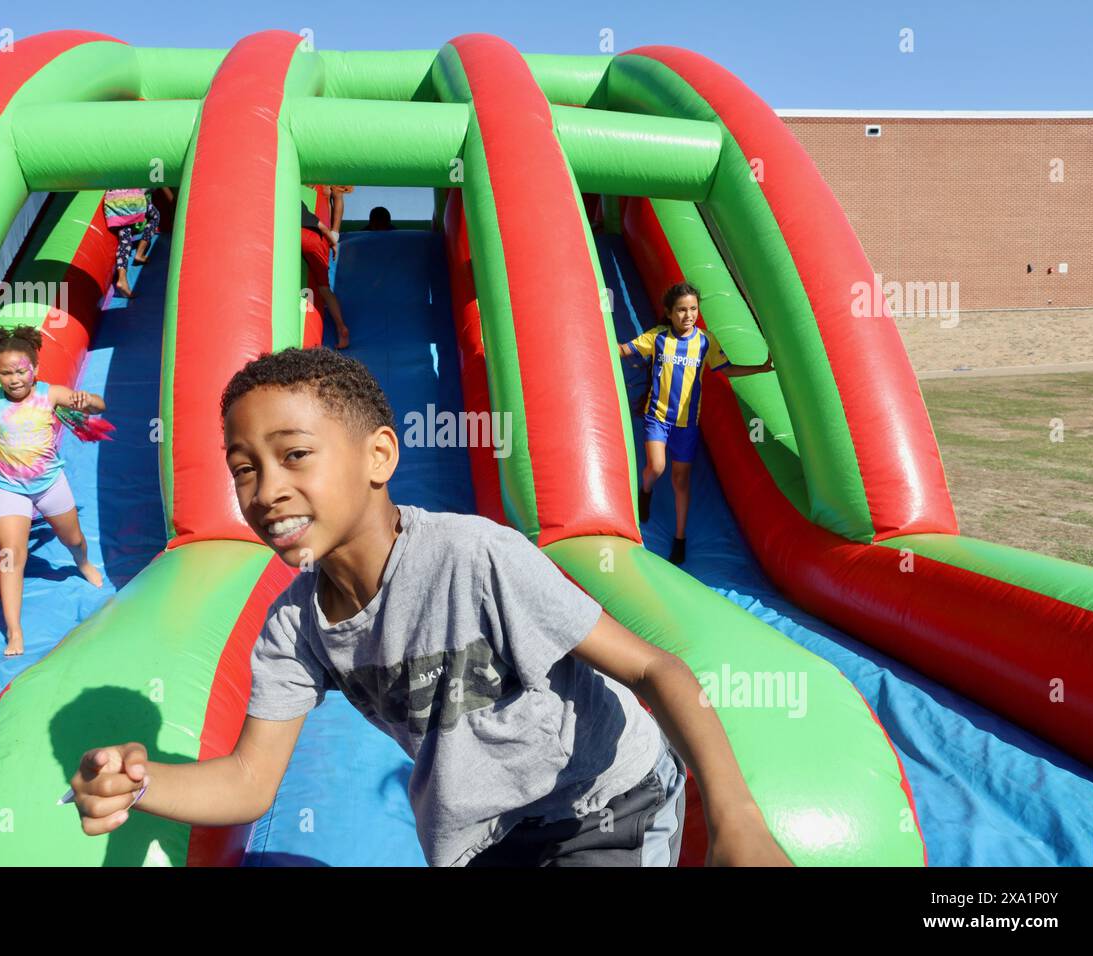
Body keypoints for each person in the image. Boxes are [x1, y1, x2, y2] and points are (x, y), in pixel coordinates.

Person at [67, 347, 791, 868]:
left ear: (379, 456)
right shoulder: (294, 628)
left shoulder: (474, 557)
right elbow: (250, 782)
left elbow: (653, 668)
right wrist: (142, 782)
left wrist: (736, 817)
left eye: (293, 456)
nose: (265, 491)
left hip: (601, 803)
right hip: (482, 837)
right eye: (244, 469)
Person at [0, 326, 106, 656]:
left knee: (73, 539)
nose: (15, 379)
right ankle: (15, 631)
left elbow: (99, 406)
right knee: (10, 556)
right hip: (10, 489)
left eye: (21, 370)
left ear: (34, 368)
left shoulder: (49, 395)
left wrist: (86, 400)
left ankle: (83, 563)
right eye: (6, 373)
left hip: (49, 485)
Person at [618, 282, 773, 565]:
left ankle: (680, 538)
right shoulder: (658, 338)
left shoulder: (705, 341)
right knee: (657, 466)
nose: (688, 315)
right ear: (669, 312)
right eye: (681, 310)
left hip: (687, 424)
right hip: (658, 417)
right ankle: (646, 490)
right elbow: (623, 350)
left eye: (693, 309)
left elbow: (727, 369)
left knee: (680, 480)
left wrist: (760, 368)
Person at [300, 185, 352, 350]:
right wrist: (333, 239)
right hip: (320, 240)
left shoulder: (288, 199)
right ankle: (341, 327)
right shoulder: (305, 202)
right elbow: (322, 225)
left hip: (301, 235)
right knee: (324, 288)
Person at [103, 187, 173, 298]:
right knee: (155, 216)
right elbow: (161, 184)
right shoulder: (151, 172)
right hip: (132, 199)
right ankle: (140, 253)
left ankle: (122, 279)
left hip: (114, 201)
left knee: (125, 237)